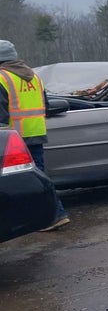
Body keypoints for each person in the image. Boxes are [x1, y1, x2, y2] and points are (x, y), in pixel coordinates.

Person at [0, 39, 68, 230]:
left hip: (12, 138)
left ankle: (55, 215)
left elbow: (1, 115)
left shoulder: (1, 78)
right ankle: (49, 216)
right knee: (36, 177)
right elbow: (45, 105)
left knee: (18, 181)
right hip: (36, 133)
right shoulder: (34, 76)